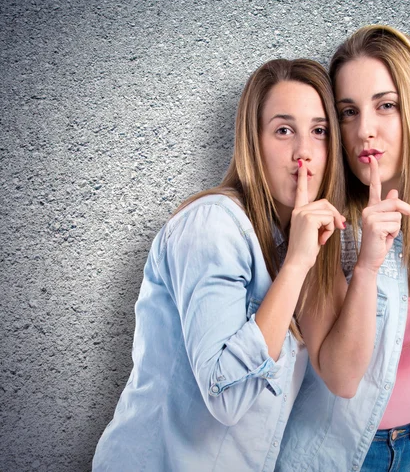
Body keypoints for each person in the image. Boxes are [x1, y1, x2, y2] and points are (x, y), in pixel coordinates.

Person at [92, 58, 346, 471]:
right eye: (284, 130)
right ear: (253, 141)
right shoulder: (213, 224)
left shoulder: (291, 241)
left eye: (318, 131)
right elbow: (226, 396)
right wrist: (298, 264)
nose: (303, 152)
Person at [277, 25, 410, 472]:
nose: (364, 130)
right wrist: (368, 266)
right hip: (336, 457)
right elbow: (341, 378)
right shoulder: (324, 226)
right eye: (348, 112)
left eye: (385, 105)